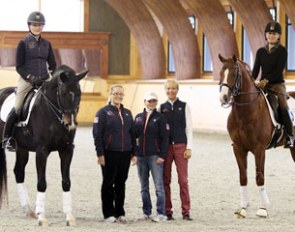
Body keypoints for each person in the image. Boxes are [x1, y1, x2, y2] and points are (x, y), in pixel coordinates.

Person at [2, 11, 56, 151]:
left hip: (45, 80)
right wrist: (31, 78)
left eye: (40, 25)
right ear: (29, 26)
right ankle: (7, 138)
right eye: (34, 24)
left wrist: (53, 78)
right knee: (18, 107)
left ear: (42, 27)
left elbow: (53, 65)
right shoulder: (23, 43)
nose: (37, 27)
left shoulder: (47, 44)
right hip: (27, 81)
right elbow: (19, 66)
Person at [92, 84, 136, 223]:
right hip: (109, 153)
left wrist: (133, 153)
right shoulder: (102, 113)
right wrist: (100, 154)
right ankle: (108, 213)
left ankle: (120, 212)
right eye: (116, 93)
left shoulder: (128, 113)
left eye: (121, 94)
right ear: (110, 94)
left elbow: (132, 134)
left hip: (125, 153)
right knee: (108, 183)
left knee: (121, 183)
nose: (118, 96)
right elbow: (97, 135)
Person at [253, 21, 293, 148]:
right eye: (269, 33)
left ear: (278, 36)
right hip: (262, 85)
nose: (271, 35)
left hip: (277, 85)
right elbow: (255, 70)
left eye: (274, 33)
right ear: (266, 35)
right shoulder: (260, 52)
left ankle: (289, 136)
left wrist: (266, 81)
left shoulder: (282, 51)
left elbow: (278, 70)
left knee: (282, 105)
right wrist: (252, 80)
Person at [160, 79, 193, 221]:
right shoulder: (161, 107)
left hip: (181, 146)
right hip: (166, 148)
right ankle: (167, 211)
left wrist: (189, 147)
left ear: (177, 90)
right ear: (165, 90)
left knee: (183, 180)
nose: (170, 91)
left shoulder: (184, 106)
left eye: (173, 88)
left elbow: (189, 128)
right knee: (165, 179)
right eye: (168, 89)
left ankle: (186, 211)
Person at [134, 92, 169, 222]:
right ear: (145, 102)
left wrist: (162, 155)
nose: (151, 103)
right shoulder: (138, 117)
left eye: (154, 101)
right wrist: (134, 153)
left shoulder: (161, 118)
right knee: (143, 187)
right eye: (149, 101)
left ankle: (161, 213)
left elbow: (165, 138)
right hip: (141, 156)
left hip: (155, 156)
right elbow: (133, 136)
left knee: (159, 186)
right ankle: (146, 212)